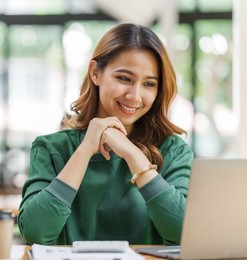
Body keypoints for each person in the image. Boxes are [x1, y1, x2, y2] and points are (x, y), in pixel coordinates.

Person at [17, 23, 194, 246]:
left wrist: (131, 153)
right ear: (96, 72)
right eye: (124, 79)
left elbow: (184, 233)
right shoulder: (51, 149)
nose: (135, 95)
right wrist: (85, 150)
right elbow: (35, 232)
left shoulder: (173, 150)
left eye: (149, 84)